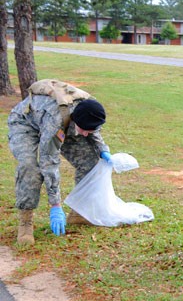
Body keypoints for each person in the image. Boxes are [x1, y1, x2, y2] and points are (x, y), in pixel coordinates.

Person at [8, 79, 111, 245]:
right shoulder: (55, 119)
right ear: (76, 120)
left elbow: (92, 130)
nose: (86, 134)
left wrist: (103, 149)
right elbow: (49, 160)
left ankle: (78, 212)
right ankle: (25, 222)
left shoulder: (90, 109)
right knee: (30, 168)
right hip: (25, 124)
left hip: (67, 125)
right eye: (84, 129)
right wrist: (55, 205)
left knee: (90, 162)